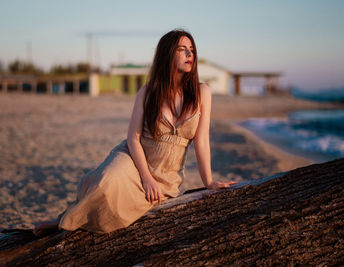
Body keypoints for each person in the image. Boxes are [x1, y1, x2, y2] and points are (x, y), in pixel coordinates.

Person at [34, 29, 236, 236]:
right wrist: (146, 178)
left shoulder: (202, 92)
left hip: (166, 176)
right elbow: (133, 137)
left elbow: (201, 141)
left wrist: (208, 182)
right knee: (106, 182)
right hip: (133, 159)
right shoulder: (148, 92)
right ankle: (63, 220)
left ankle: (68, 220)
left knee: (123, 206)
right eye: (182, 49)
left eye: (192, 50)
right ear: (167, 54)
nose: (189, 55)